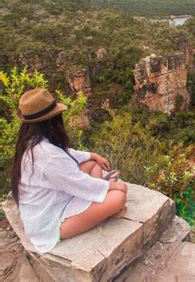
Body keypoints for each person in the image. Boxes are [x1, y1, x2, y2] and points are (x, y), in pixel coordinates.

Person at [10, 88, 128, 253]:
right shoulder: (48, 155)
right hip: (50, 222)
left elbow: (66, 155)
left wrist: (92, 155)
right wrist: (113, 187)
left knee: (93, 164)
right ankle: (103, 206)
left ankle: (99, 200)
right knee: (119, 196)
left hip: (52, 200)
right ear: (51, 120)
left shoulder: (31, 142)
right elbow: (78, 182)